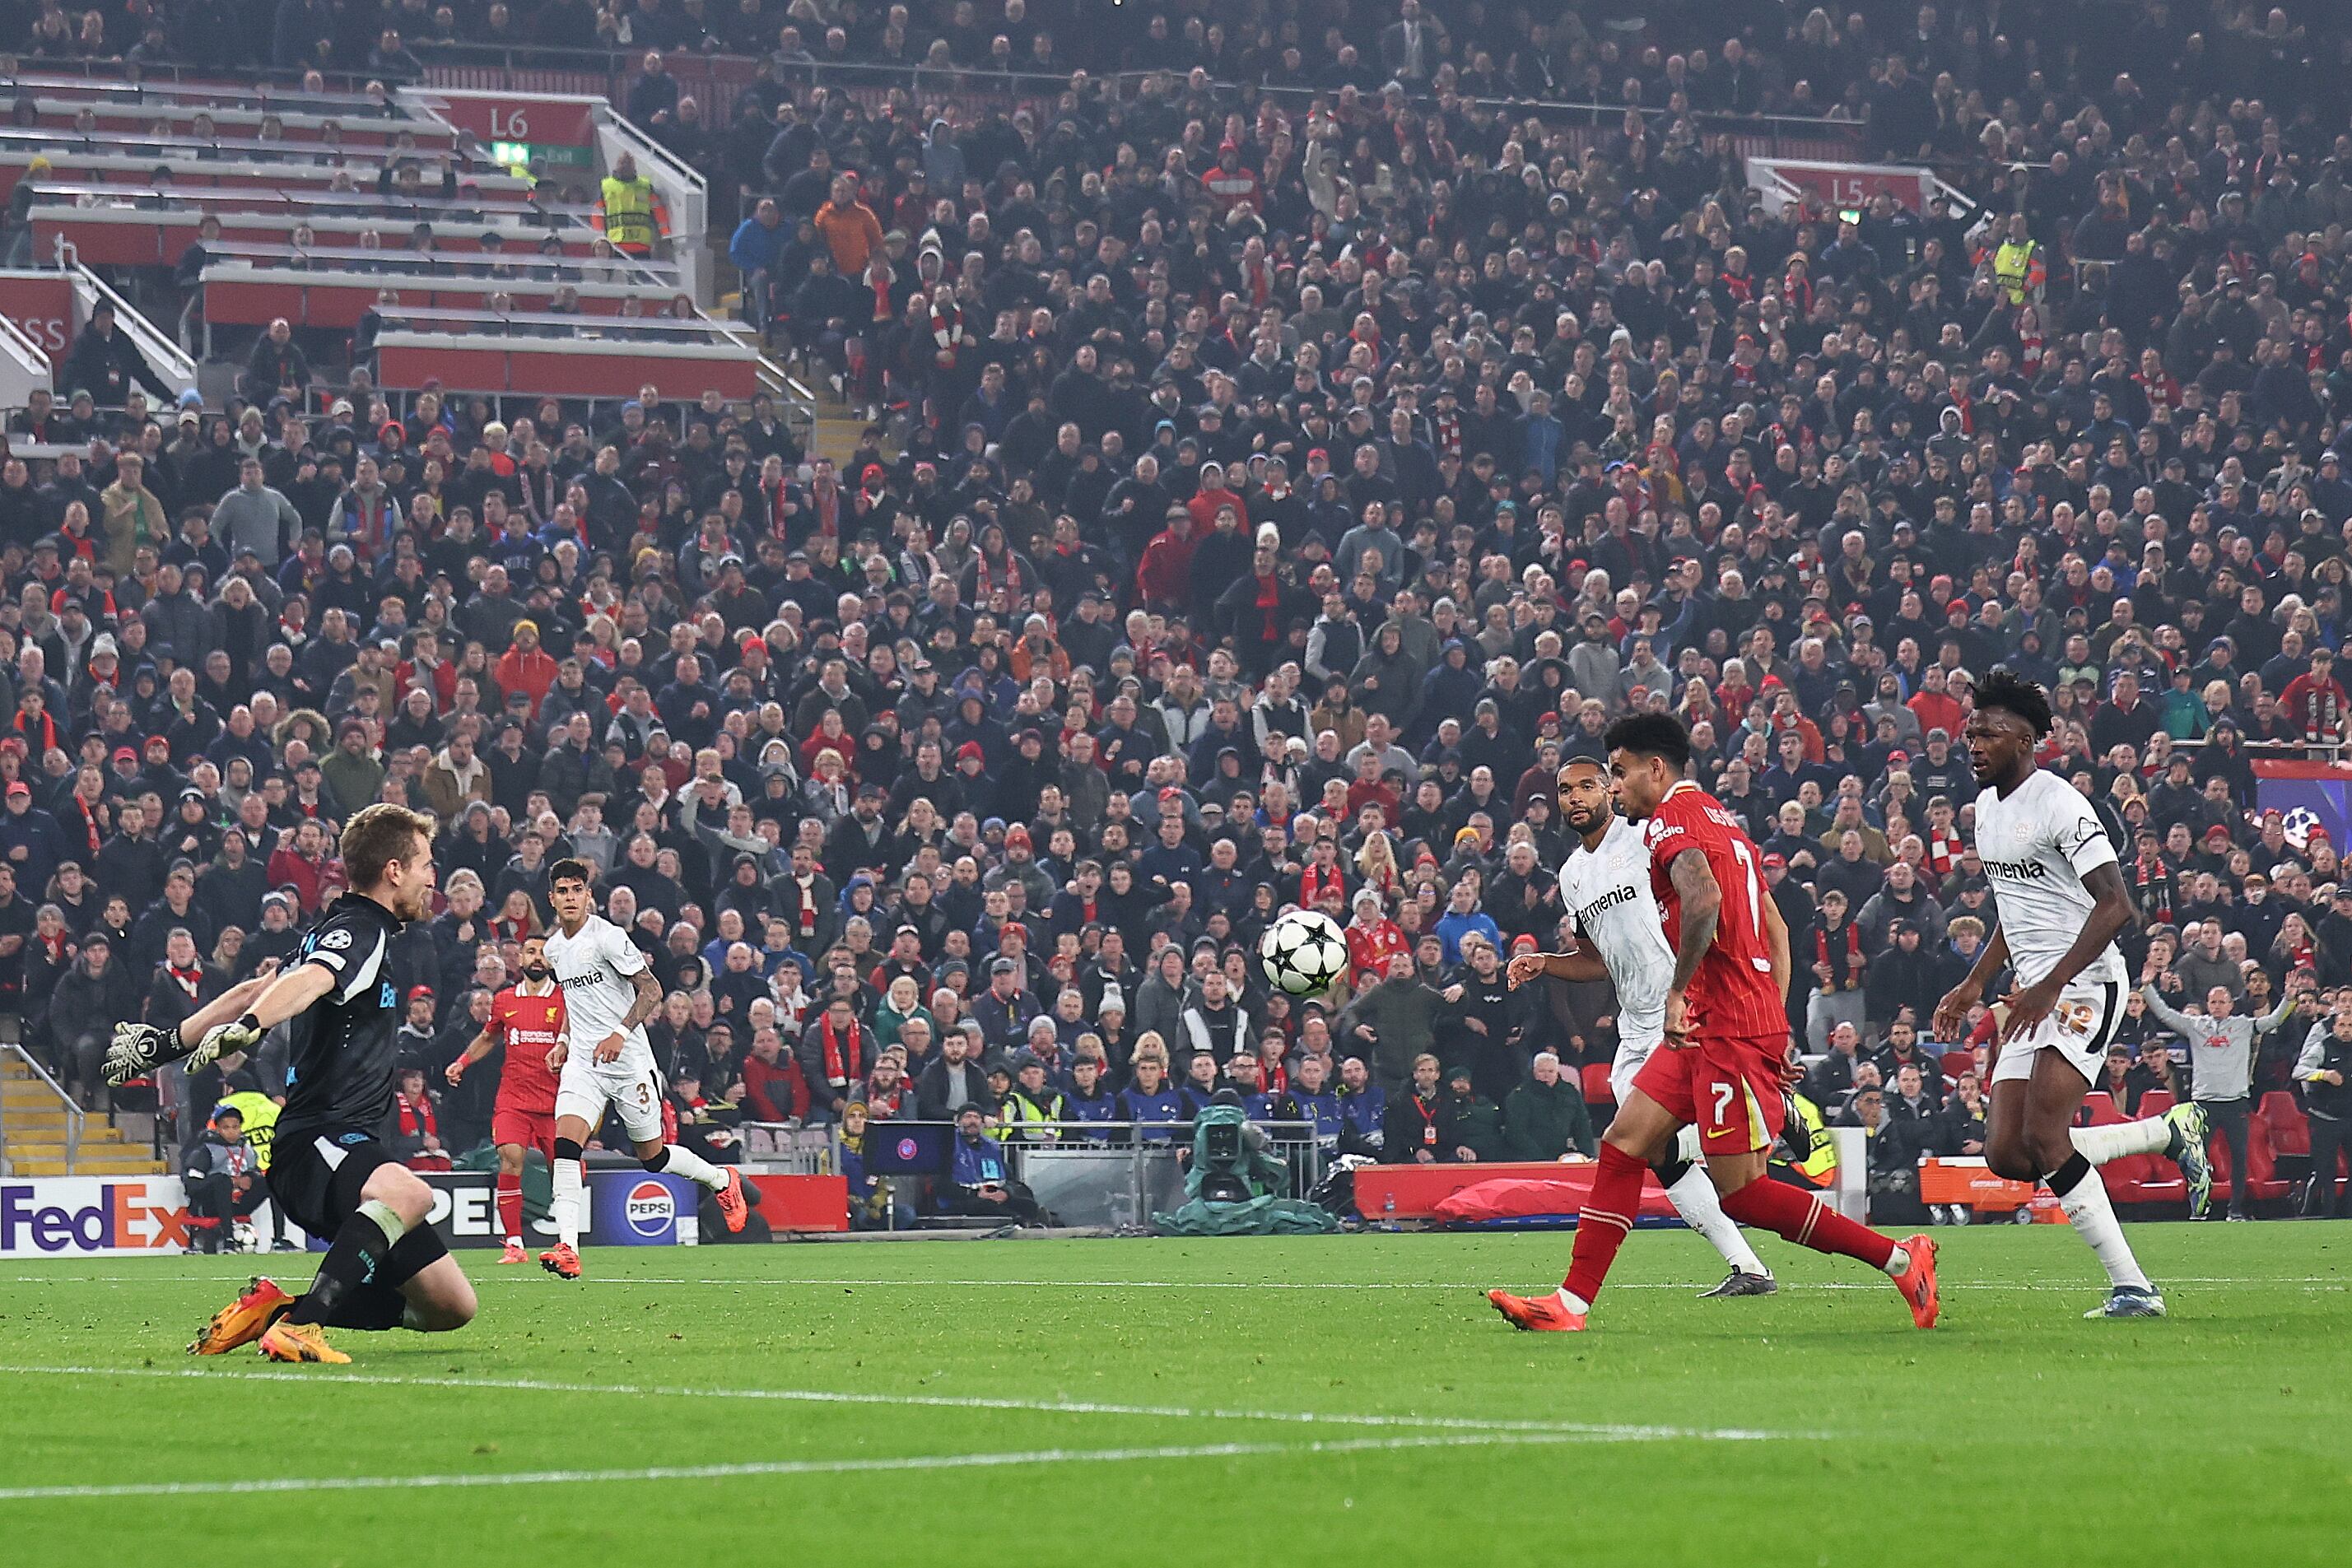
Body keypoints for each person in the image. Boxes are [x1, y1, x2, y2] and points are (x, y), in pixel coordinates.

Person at [1488, 714, 1941, 1333]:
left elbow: (1702, 900)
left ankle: (1898, 1257)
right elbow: (1773, 928)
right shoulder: (1719, 821)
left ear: (1655, 769)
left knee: (1744, 1192)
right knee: (1623, 1144)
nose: (1613, 788)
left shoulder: (1670, 821)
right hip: (1708, 1021)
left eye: (1616, 774)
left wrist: (1684, 995)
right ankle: (1569, 1304)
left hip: (1721, 1025)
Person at [108, 804, 476, 1363]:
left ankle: (275, 1312)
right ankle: (303, 1327)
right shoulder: (362, 929)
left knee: (451, 1305)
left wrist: (165, 1042)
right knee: (410, 1192)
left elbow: (256, 986)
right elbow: (307, 981)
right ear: (394, 869)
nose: (433, 877)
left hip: (342, 1144)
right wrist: (252, 1027)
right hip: (317, 1139)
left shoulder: (330, 927)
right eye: (426, 863)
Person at [1933, 672, 2207, 1314]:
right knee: (2007, 1153)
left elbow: (2117, 906)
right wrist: (1976, 979)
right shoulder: (1988, 812)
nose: (1972, 742)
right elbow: (2015, 907)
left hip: (2083, 983)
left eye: (1988, 732)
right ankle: (2163, 1133)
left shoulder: (2060, 804)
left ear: (2026, 739)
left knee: (2046, 1135)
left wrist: (2049, 982)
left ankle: (2134, 1286)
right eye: (1969, 731)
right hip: (2034, 991)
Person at [1512, 755, 1774, 1295]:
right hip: (1634, 1025)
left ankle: (1770, 1114)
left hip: (1682, 1010)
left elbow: (1706, 895)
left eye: (1586, 785)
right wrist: (1545, 961)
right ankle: (1748, 1266)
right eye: (1565, 790)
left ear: (1609, 789)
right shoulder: (1572, 876)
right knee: (1655, 1151)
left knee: (1642, 1145)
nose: (1575, 797)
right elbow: (1595, 958)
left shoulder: (1645, 839)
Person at [539, 856, 746, 1277]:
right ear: (552, 899)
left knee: (652, 1157)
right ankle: (568, 1247)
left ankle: (722, 1180)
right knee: (565, 1145)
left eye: (577, 890)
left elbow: (652, 989)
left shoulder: (608, 938)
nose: (571, 898)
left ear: (588, 895)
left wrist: (620, 1031)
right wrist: (562, 1040)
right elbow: (570, 1002)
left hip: (629, 1063)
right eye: (563, 891)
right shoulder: (554, 948)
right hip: (584, 1062)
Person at [445, 929, 566, 1263]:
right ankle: (514, 1243)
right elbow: (488, 1037)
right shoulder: (505, 1000)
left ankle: (567, 1239)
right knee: (511, 1159)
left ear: (552, 960)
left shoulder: (565, 1000)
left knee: (565, 1170)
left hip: (556, 1101)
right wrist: (462, 1061)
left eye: (542, 953)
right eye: (530, 952)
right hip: (514, 1099)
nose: (537, 958)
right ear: (521, 959)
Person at [2135, 978, 2296, 1222]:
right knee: (2197, 1157)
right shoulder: (2195, 1025)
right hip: (2204, 1103)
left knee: (2239, 1158)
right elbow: (2165, 1014)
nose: (2218, 1006)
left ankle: (2236, 1210)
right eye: (2213, 1002)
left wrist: (2288, 999)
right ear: (2207, 1004)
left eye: (2222, 1002)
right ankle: (2198, 1209)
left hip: (2235, 1102)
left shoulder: (2244, 1025)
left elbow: (2273, 1020)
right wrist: (2147, 988)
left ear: (2231, 1005)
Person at [180, 1101, 267, 1253]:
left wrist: (251, 1177)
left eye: (236, 1127)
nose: (232, 1132)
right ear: (218, 1129)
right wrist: (230, 1181)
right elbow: (191, 1185)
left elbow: (255, 1172)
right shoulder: (205, 1150)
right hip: (210, 1205)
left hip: (239, 1202)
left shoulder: (248, 1150)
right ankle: (228, 1239)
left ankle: (280, 1239)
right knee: (222, 1180)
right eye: (226, 1128)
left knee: (271, 1180)